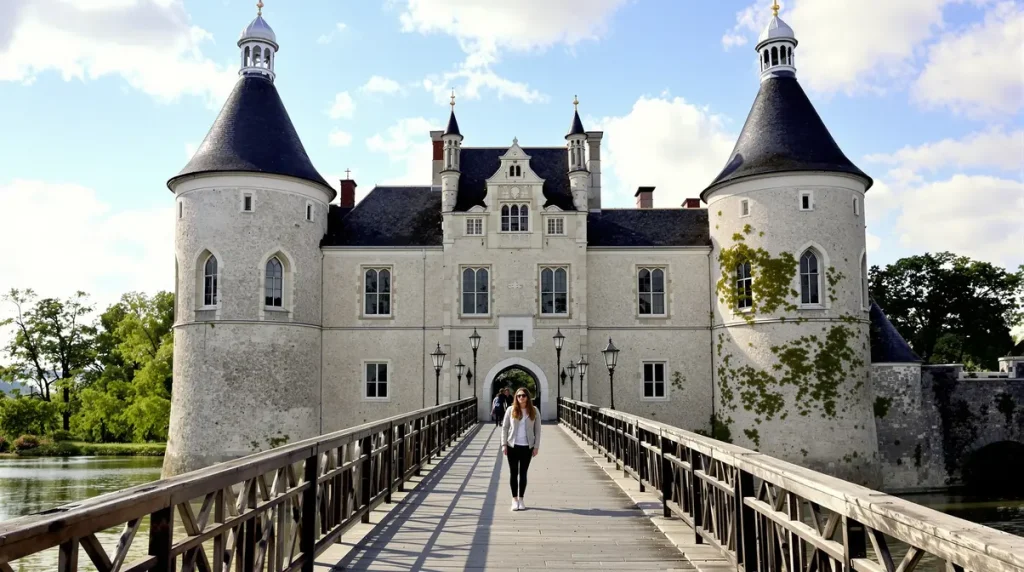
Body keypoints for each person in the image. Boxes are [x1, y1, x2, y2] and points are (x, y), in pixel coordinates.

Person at [501, 387, 541, 511]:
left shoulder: (534, 411)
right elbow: (505, 428)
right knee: (513, 473)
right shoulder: (510, 409)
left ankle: (521, 499)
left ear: (528, 397)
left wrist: (536, 446)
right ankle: (514, 499)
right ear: (516, 397)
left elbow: (538, 430)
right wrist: (504, 444)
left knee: (523, 473)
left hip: (527, 447)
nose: (521, 398)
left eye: (523, 395)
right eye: (518, 396)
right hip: (512, 446)